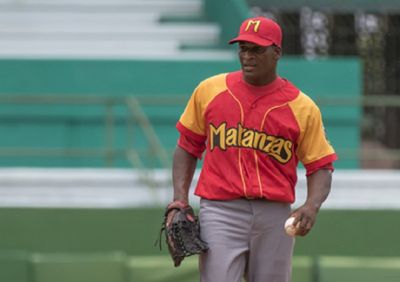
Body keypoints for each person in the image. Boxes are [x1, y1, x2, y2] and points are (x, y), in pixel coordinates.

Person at [168, 16, 338, 282]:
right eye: (243, 48)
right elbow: (187, 146)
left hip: (274, 213)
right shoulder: (210, 90)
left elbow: (321, 165)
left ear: (277, 52)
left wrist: (312, 206)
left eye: (257, 49)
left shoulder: (302, 107)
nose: (248, 56)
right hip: (221, 209)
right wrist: (180, 199)